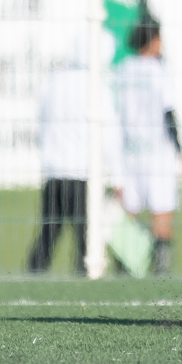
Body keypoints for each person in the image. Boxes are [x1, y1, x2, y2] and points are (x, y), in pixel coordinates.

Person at [27, 35, 123, 275]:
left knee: (48, 235)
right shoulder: (97, 87)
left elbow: (40, 122)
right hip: (84, 174)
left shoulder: (53, 82)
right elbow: (110, 134)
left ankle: (31, 278)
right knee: (87, 240)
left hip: (54, 172)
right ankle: (84, 286)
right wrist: (119, 178)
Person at [113, 14, 182, 276]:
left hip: (129, 151)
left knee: (129, 213)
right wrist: (181, 151)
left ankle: (124, 270)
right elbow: (169, 112)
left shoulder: (122, 69)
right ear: (152, 39)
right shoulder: (159, 70)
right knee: (162, 213)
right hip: (158, 151)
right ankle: (160, 271)